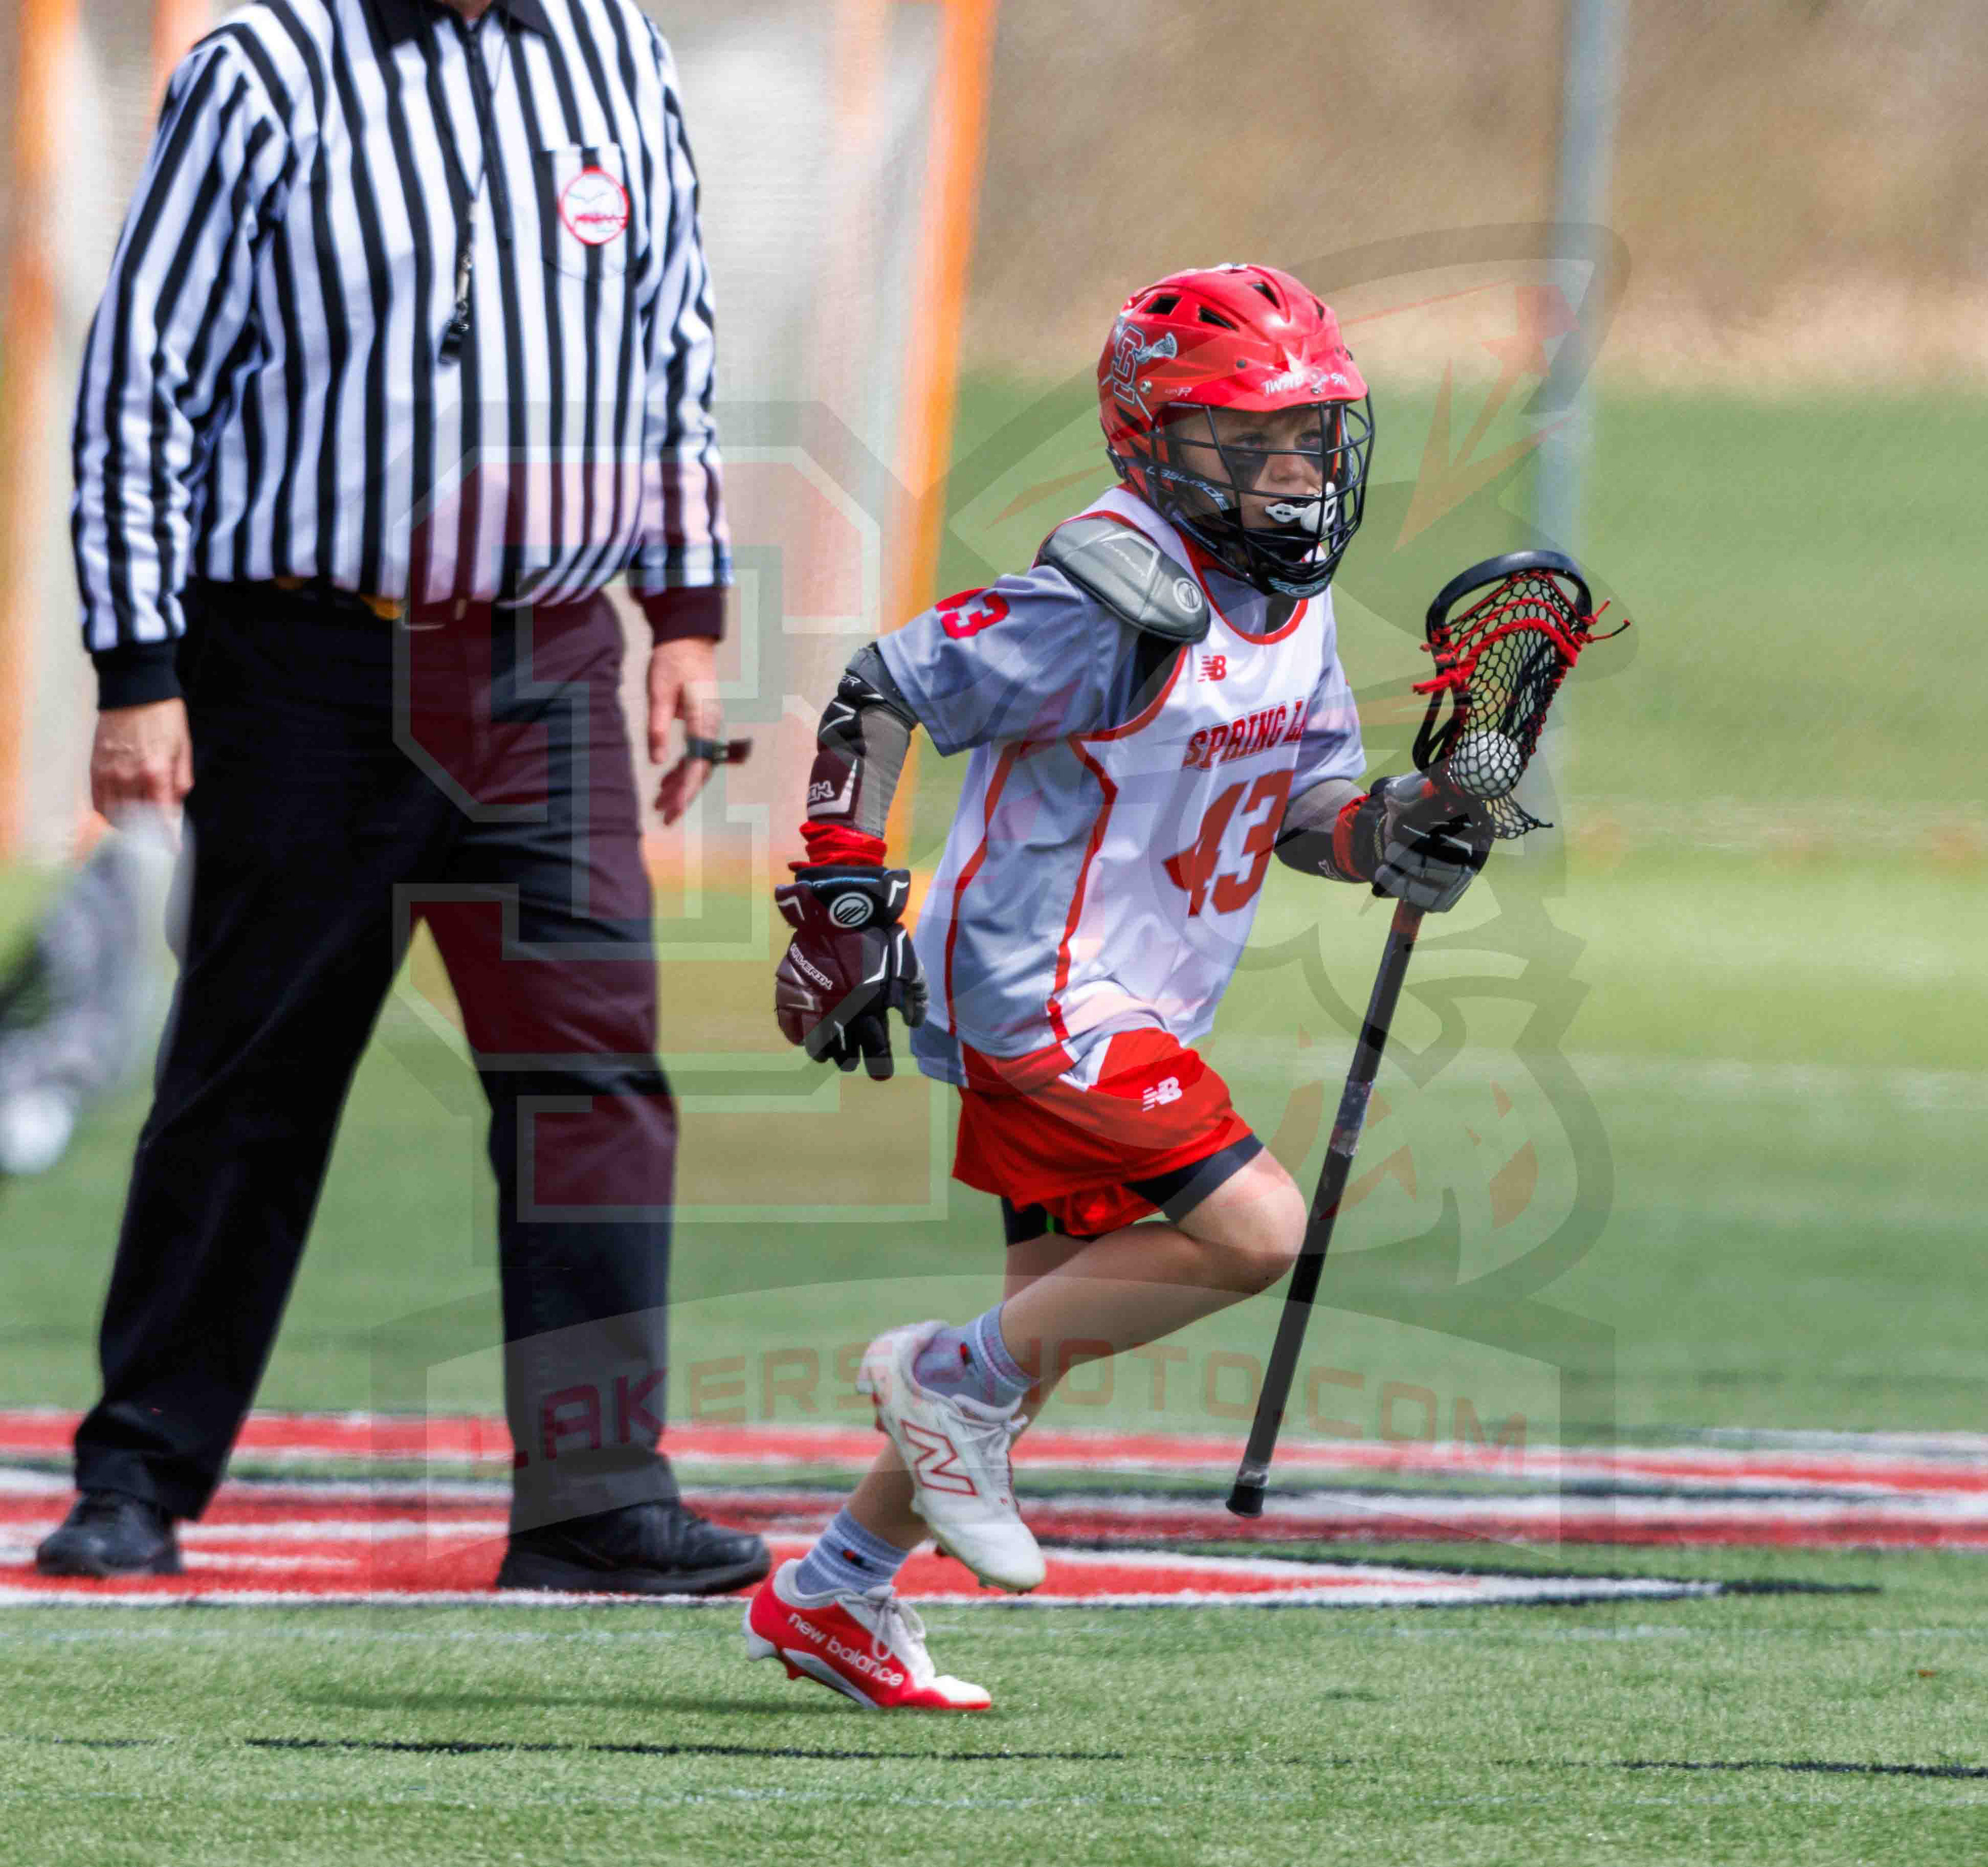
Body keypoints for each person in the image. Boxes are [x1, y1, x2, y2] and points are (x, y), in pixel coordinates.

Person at [36, 0, 769, 1598]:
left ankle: (593, 1496)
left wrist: (689, 613)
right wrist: (137, 666)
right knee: (253, 1077)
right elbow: (143, 381)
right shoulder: (264, 70)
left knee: (591, 1081)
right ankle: (138, 1475)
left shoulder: (615, 49)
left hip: (545, 664)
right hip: (308, 658)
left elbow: (675, 337)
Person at [747, 264, 1492, 1709]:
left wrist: (1388, 833)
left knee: (1047, 1329)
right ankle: (941, 1381)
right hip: (1038, 988)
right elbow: (886, 688)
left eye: (1310, 435)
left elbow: (1303, 807)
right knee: (1253, 1232)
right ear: (1156, 437)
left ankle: (833, 1590)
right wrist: (841, 898)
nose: (1295, 470)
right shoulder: (1109, 599)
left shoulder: (1289, 597)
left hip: (1130, 993)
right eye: (1249, 439)